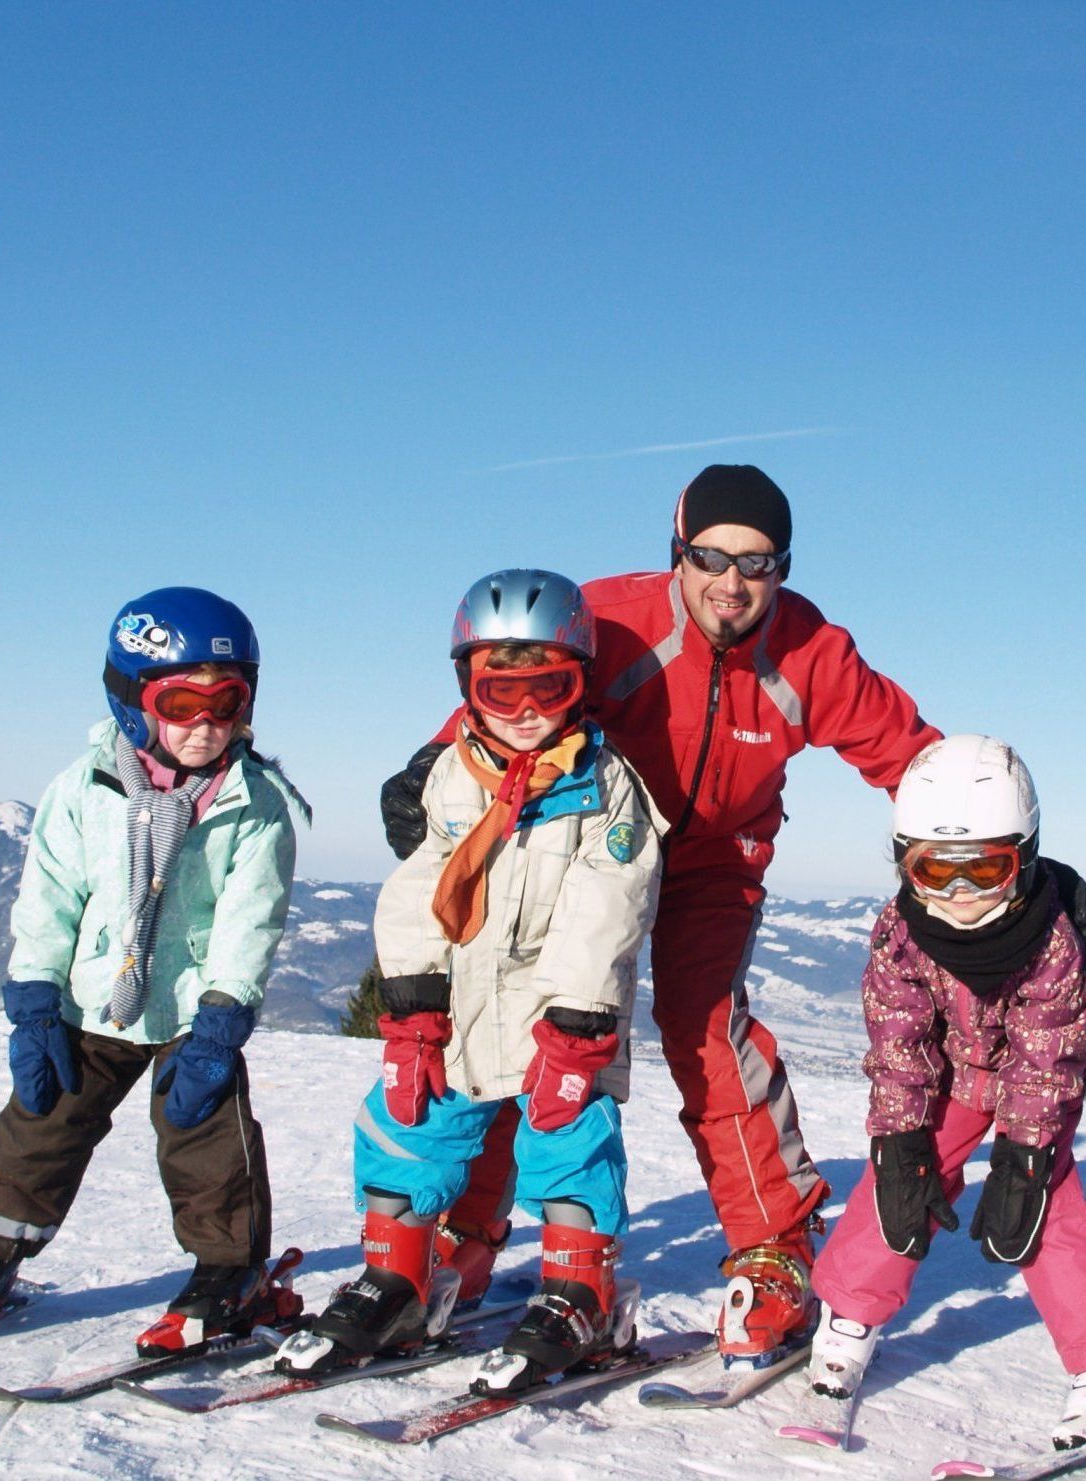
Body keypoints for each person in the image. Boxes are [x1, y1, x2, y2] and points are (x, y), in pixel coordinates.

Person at [381, 466, 939, 1359]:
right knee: (522, 1023)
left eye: (758, 563)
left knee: (706, 1029)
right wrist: (433, 760)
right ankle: (466, 1237)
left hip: (716, 863)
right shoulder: (615, 618)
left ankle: (773, 1253)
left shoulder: (810, 652)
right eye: (710, 556)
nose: (732, 582)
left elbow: (912, 759)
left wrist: (999, 843)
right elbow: (524, 681)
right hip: (582, 841)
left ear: (783, 569)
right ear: (676, 553)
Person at [279, 570, 661, 1393]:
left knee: (566, 1139)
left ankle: (578, 1292)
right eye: (500, 687)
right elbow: (420, 888)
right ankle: (398, 1277)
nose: (523, 710)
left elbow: (609, 910)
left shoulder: (606, 789)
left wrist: (577, 1027)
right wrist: (414, 1007)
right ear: (467, 687)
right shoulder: (453, 777)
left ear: (580, 684)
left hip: (560, 1014)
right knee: (406, 1122)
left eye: (547, 686)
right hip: (460, 1005)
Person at [0, 587, 304, 1357]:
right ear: (133, 700)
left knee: (207, 1143)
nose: (208, 724)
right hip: (90, 998)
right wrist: (34, 995)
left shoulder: (253, 804)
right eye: (184, 701)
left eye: (228, 701)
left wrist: (224, 1016)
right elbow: (50, 895)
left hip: (193, 1010)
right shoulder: (85, 788)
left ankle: (228, 1272)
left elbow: (248, 918)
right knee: (40, 1124)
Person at [805, 735, 1086, 1445]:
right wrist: (901, 1133)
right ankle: (848, 1310)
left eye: (986, 869)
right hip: (949, 1076)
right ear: (905, 861)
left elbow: (1047, 1060)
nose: (959, 893)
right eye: (935, 868)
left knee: (1041, 1202)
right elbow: (898, 1039)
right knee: (899, 1177)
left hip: (1031, 1084)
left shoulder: (1053, 945)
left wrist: (1025, 1156)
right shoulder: (901, 931)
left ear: (1024, 857)